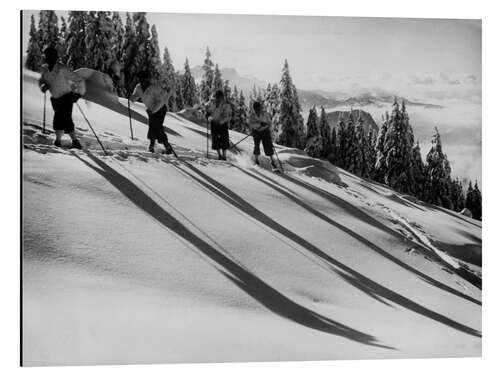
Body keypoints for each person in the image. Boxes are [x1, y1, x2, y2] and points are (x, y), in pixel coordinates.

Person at [39, 46, 85, 149]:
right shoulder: (44, 69)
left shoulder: (62, 69)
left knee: (66, 119)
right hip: (55, 99)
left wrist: (78, 94)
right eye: (47, 56)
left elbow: (80, 80)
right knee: (58, 119)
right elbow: (42, 80)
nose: (48, 58)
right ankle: (60, 141)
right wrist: (43, 86)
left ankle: (73, 141)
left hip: (67, 98)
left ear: (55, 57)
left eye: (51, 56)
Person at [130, 71, 173, 154]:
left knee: (157, 126)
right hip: (150, 110)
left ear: (147, 79)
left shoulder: (154, 87)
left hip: (160, 109)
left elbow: (161, 101)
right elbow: (135, 96)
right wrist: (131, 98)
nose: (143, 81)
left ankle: (166, 146)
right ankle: (153, 146)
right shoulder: (139, 87)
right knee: (152, 126)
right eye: (141, 79)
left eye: (145, 79)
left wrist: (153, 111)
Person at [248, 101, 278, 169]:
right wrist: (259, 124)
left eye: (258, 108)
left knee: (268, 145)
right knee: (256, 145)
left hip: (265, 131)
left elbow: (270, 123)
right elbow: (251, 124)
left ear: (260, 108)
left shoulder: (265, 114)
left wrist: (269, 130)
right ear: (254, 108)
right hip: (256, 131)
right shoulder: (252, 115)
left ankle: (272, 161)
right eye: (255, 108)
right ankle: (256, 160)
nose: (257, 110)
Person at [206, 90, 232, 160]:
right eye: (217, 97)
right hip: (214, 123)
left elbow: (228, 115)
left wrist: (222, 121)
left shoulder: (226, 104)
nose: (218, 99)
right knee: (215, 139)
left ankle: (224, 156)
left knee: (224, 140)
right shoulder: (211, 103)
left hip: (222, 124)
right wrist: (208, 116)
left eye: (220, 98)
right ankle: (219, 155)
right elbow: (208, 111)